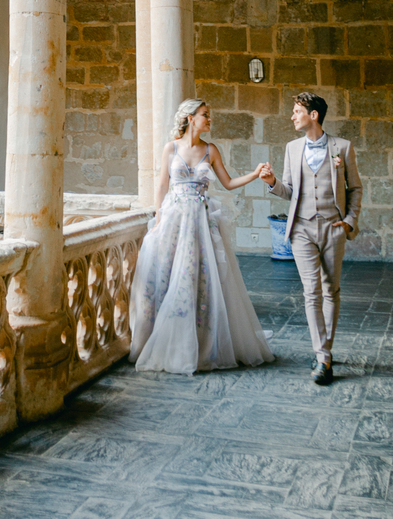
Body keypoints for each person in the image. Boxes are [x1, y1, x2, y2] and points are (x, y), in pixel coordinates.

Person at [129, 98, 275, 375]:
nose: (209, 119)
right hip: (174, 220)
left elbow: (228, 183)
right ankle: (164, 341)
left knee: (200, 280)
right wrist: (159, 218)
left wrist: (255, 174)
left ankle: (201, 342)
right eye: (205, 115)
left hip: (200, 222)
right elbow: (162, 184)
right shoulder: (170, 148)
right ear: (190, 117)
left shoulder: (211, 150)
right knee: (167, 277)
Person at [259, 91, 362, 386]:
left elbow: (355, 189)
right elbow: (290, 192)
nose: (292, 116)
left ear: (313, 115)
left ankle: (324, 351)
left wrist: (349, 222)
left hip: (333, 227)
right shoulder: (292, 148)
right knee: (311, 292)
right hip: (301, 229)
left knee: (332, 290)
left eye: (296, 111)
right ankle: (323, 356)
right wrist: (272, 183)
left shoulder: (342, 147)